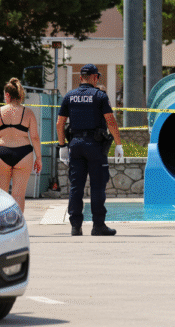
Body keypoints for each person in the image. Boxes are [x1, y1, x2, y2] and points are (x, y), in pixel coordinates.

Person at [56, 64, 124, 236]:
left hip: (75, 145)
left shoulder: (69, 96)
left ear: (80, 78)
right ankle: (98, 226)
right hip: (95, 146)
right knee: (97, 187)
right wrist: (118, 144)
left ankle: (75, 226)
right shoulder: (99, 96)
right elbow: (110, 121)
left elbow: (60, 123)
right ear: (95, 78)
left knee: (76, 187)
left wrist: (62, 146)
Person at [0, 78, 42, 212]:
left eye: (4, 95)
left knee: (1, 195)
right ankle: (18, 227)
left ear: (8, 95)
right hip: (24, 154)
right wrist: (38, 157)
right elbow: (34, 137)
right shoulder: (28, 113)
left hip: (2, 153)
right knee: (19, 195)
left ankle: (2, 228)